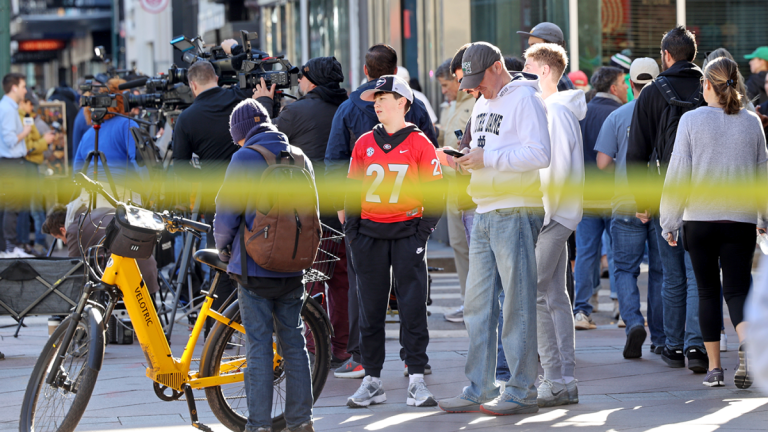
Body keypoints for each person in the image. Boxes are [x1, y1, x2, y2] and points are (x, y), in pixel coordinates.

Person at [438, 41, 551, 416]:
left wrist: (486, 158)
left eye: (477, 80)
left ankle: (521, 389)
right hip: (486, 209)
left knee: (515, 305)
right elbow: (485, 149)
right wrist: (465, 160)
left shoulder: (525, 99)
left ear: (497, 68)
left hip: (515, 209)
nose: (473, 89)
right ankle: (479, 385)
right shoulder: (485, 101)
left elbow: (540, 153)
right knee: (478, 306)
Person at [324, 44, 437, 379]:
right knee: (412, 288)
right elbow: (431, 152)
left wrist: (345, 211)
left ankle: (360, 357)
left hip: (369, 215)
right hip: (408, 214)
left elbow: (334, 160)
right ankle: (413, 357)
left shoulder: (348, 108)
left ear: (365, 70)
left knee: (365, 290)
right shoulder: (410, 103)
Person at [660, 56, 766, 389]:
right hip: (741, 219)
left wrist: (669, 221)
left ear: (707, 84)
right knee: (737, 290)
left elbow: (678, 176)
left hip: (700, 220)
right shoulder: (751, 122)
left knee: (707, 292)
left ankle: (715, 369)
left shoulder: (691, 121)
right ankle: (747, 344)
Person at [214, 99, 315, 432]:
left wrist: (223, 248)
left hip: (255, 270)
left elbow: (227, 213)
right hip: (293, 266)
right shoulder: (301, 158)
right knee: (295, 344)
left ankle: (258, 426)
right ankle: (301, 422)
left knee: (258, 345)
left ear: (242, 133)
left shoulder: (244, 158)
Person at [344, 75, 444, 408]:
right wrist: (354, 234)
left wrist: (422, 233)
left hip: (407, 233)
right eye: (374, 97)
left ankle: (416, 377)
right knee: (370, 309)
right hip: (369, 235)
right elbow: (352, 191)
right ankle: (372, 379)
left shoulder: (419, 143)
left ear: (402, 102)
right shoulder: (363, 143)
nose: (376, 102)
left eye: (383, 97)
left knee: (413, 306)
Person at [255, 56, 352, 368]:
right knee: (341, 280)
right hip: (345, 208)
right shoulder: (348, 107)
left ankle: (311, 346)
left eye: (303, 77)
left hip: (307, 212)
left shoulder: (295, 112)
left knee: (308, 281)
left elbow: (265, 144)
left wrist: (264, 106)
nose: (298, 82)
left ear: (313, 81)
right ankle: (341, 348)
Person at [626, 25, 708, 374]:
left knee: (672, 274)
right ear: (693, 53)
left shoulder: (652, 92)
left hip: (665, 197)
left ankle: (673, 346)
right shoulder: (713, 87)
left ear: (666, 55)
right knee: (700, 275)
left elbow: (637, 154)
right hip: (707, 198)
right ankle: (697, 346)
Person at [522, 42, 585, 407]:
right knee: (555, 297)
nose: (523, 72)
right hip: (557, 215)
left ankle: (556, 379)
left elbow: (554, 171)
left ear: (544, 70)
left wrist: (542, 218)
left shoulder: (554, 113)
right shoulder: (557, 109)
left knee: (535, 294)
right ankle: (564, 379)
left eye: (529, 65)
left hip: (551, 216)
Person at [595, 58, 665, 359]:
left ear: (630, 85)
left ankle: (634, 322)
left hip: (625, 203)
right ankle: (662, 338)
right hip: (662, 204)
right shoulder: (668, 112)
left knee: (624, 269)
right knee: (662, 273)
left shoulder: (618, 115)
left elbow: (602, 162)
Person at [572, 66, 626, 330]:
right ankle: (621, 309)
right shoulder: (620, 113)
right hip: (615, 195)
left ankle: (581, 309)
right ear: (613, 88)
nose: (626, 87)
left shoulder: (581, 113)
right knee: (617, 253)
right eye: (622, 83)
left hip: (585, 195)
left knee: (585, 253)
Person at [172, 60, 255, 228]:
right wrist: (234, 51)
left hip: (216, 197)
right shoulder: (240, 97)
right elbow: (254, 66)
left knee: (219, 250)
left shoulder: (186, 118)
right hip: (252, 190)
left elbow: (180, 167)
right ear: (216, 79)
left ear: (193, 85)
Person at [42, 205, 160, 295]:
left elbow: (74, 269)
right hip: (148, 267)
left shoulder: (74, 230)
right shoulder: (98, 212)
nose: (64, 242)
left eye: (60, 238)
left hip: (125, 280)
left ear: (63, 229)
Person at [435, 58, 473, 324]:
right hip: (451, 182)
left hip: (468, 184)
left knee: (471, 245)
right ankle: (467, 300)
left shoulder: (474, 105)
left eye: (446, 84)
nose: (444, 90)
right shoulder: (451, 108)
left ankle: (475, 302)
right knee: (459, 245)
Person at [74, 78, 146, 199]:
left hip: (88, 200)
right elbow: (141, 163)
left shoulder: (88, 134)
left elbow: (77, 171)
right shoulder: (127, 125)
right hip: (121, 198)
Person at [0, 73, 34, 257]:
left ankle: (8, 247)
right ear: (14, 88)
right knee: (11, 206)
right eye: (23, 86)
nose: (25, 90)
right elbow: (10, 139)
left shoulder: (8, 107)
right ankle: (10, 248)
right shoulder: (7, 109)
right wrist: (25, 132)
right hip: (11, 164)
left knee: (9, 205)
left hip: (10, 163)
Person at [18, 90, 54, 255]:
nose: (32, 107)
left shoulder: (34, 122)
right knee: (31, 208)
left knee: (34, 207)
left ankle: (36, 242)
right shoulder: (26, 120)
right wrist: (42, 143)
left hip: (34, 169)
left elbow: (32, 147)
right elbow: (27, 147)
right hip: (29, 168)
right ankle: (29, 243)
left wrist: (37, 146)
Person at [517, 22, 575, 91]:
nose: (529, 50)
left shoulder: (560, 83)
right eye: (529, 45)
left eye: (535, 46)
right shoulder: (543, 80)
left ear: (551, 49)